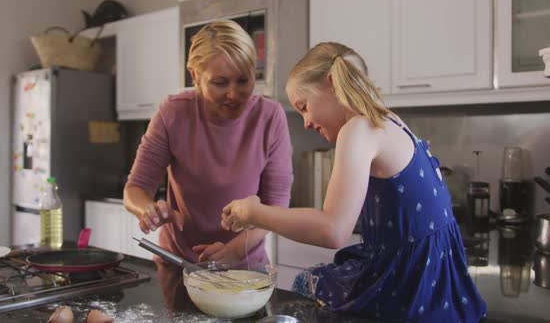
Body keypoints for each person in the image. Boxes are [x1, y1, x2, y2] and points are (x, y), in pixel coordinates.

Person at [221, 42, 487, 321]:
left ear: (332, 83)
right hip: (438, 284)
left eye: (304, 107)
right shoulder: (391, 121)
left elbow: (332, 230)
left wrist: (255, 213)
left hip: (407, 286)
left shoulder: (358, 129)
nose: (306, 123)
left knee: (306, 284)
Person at [124, 20, 293, 266]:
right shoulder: (173, 113)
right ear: (195, 76)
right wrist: (148, 210)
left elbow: (276, 207)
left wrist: (235, 250)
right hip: (178, 262)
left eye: (243, 80)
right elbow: (135, 189)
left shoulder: (270, 117)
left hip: (244, 265)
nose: (233, 94)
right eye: (220, 83)